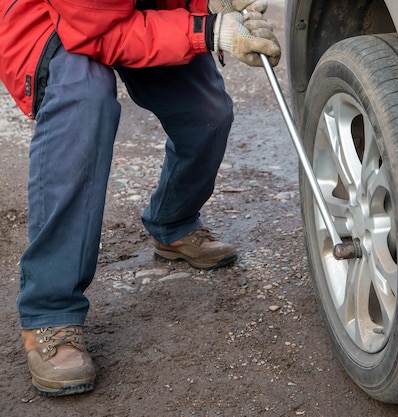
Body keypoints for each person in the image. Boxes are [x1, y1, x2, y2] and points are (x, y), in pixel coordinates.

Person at [0, 0, 281, 397]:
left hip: (137, 9)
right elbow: (95, 31)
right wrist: (209, 31)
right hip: (60, 20)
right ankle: (49, 308)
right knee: (85, 100)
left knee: (207, 112)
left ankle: (173, 222)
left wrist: (212, 3)